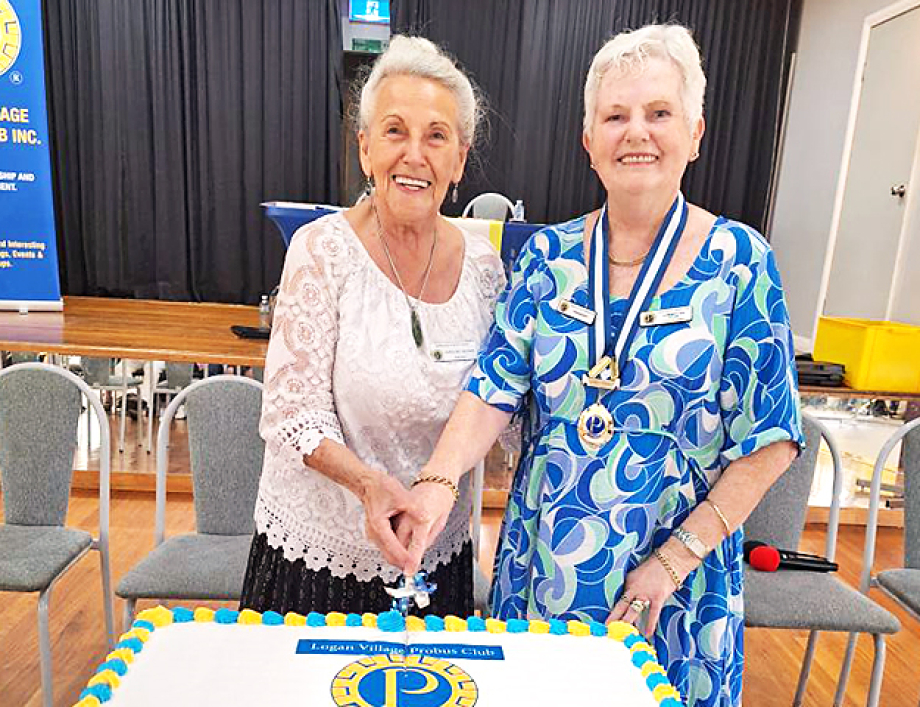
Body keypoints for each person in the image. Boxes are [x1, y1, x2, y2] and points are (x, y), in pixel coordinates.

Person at [399, 24, 803, 707]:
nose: (635, 132)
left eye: (658, 113)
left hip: (673, 584)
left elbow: (772, 440)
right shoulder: (547, 258)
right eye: (615, 116)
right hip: (542, 567)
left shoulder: (741, 263)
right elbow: (491, 388)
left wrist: (673, 562)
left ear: (696, 133)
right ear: (589, 141)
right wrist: (437, 482)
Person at [239, 36, 505, 618]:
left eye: (436, 136)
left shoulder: (487, 268)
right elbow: (292, 412)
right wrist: (367, 485)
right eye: (394, 131)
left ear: (460, 159)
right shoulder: (321, 252)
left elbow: (498, 399)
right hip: (316, 561)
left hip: (437, 555)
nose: (415, 154)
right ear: (365, 150)